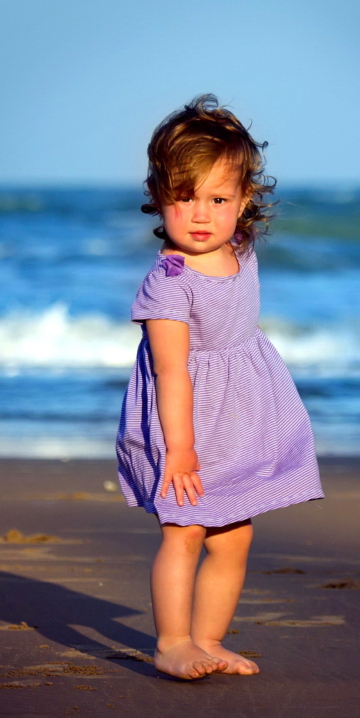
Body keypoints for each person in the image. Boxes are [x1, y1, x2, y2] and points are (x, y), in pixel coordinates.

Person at [115, 94, 324, 680]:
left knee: (234, 536)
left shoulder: (240, 249)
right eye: (185, 198)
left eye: (217, 199)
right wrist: (180, 448)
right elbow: (171, 372)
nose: (201, 214)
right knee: (185, 531)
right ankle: (172, 642)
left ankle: (208, 638)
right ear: (159, 197)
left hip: (240, 414)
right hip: (183, 420)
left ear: (244, 201)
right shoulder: (169, 283)